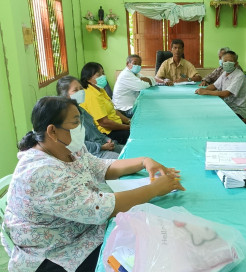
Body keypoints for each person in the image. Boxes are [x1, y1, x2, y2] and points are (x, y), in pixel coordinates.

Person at [1, 97, 185, 272]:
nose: (80, 129)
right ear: (52, 131)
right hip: (54, 254)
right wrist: (154, 189)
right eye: (74, 123)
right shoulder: (40, 172)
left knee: (146, 234)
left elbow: (101, 167)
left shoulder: (67, 148)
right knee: (144, 250)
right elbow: (99, 208)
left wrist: (144, 161)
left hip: (78, 231)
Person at [57, 75, 123, 159]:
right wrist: (101, 147)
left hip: (103, 144)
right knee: (123, 160)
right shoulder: (66, 119)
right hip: (92, 154)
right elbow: (78, 144)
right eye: (75, 90)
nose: (80, 92)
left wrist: (106, 139)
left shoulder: (82, 110)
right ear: (65, 96)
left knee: (128, 151)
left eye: (81, 88)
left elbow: (95, 131)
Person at [80, 62, 130, 145]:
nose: (103, 76)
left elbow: (112, 110)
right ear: (88, 79)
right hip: (106, 132)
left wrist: (128, 121)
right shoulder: (91, 95)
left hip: (115, 124)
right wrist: (127, 127)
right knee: (136, 136)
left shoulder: (99, 89)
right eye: (98, 75)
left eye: (103, 73)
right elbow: (104, 123)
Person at [195, 50, 246, 119]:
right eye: (225, 61)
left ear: (236, 64)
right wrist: (202, 90)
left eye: (230, 61)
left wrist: (206, 92)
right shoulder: (225, 73)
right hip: (226, 105)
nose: (227, 63)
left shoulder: (239, 75)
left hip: (237, 111)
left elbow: (226, 93)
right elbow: (214, 86)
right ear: (222, 63)